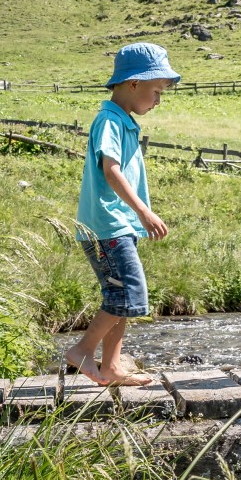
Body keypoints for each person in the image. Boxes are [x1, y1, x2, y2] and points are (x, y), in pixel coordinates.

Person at [64, 42, 179, 387]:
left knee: (122, 299)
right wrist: (143, 210)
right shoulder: (109, 121)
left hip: (117, 225)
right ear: (133, 84)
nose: (158, 100)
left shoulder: (123, 122)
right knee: (129, 294)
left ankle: (111, 366)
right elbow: (111, 169)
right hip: (107, 226)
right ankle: (83, 350)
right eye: (156, 91)